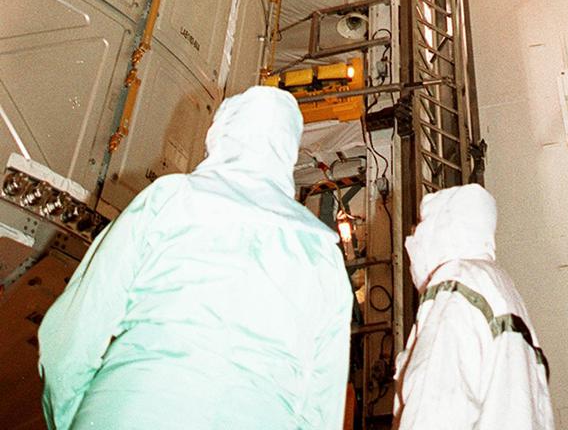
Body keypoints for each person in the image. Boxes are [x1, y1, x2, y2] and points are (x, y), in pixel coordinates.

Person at [38, 86, 352, 430]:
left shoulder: (169, 199)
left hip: (131, 411)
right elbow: (322, 403)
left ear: (220, 133)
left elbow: (73, 335)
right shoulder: (323, 254)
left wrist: (74, 417)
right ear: (287, 153)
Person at [394, 184, 555, 429]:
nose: (413, 240)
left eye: (421, 226)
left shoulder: (456, 285)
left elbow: (435, 408)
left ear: (442, 229)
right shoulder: (499, 287)